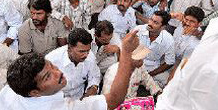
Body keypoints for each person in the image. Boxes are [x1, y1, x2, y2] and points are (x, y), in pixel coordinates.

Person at [0, 30, 141, 110]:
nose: (58, 73)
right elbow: (114, 99)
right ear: (34, 92)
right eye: (47, 76)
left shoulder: (11, 89)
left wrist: (92, 87)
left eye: (53, 67)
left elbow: (94, 76)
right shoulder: (59, 108)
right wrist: (126, 55)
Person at [46, 28, 100, 100]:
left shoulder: (90, 57)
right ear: (69, 48)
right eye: (81, 51)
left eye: (88, 50)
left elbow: (94, 77)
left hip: (80, 98)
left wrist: (91, 91)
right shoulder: (51, 60)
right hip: (57, 100)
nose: (86, 55)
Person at [134, 11, 175, 88]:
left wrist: (149, 75)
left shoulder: (169, 39)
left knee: (168, 82)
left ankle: (147, 83)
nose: (150, 23)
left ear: (163, 27)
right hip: (135, 63)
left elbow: (169, 62)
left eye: (155, 22)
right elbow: (127, 47)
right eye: (151, 19)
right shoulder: (138, 29)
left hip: (153, 68)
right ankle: (147, 84)